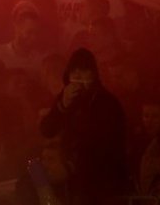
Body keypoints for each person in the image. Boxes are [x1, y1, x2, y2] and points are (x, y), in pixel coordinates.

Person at [39, 48, 127, 205]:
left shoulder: (106, 102)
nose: (78, 76)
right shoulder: (66, 98)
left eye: (84, 71)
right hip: (68, 168)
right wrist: (62, 105)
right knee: (33, 174)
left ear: (93, 74)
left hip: (99, 175)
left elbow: (104, 145)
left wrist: (71, 165)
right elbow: (46, 130)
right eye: (74, 72)